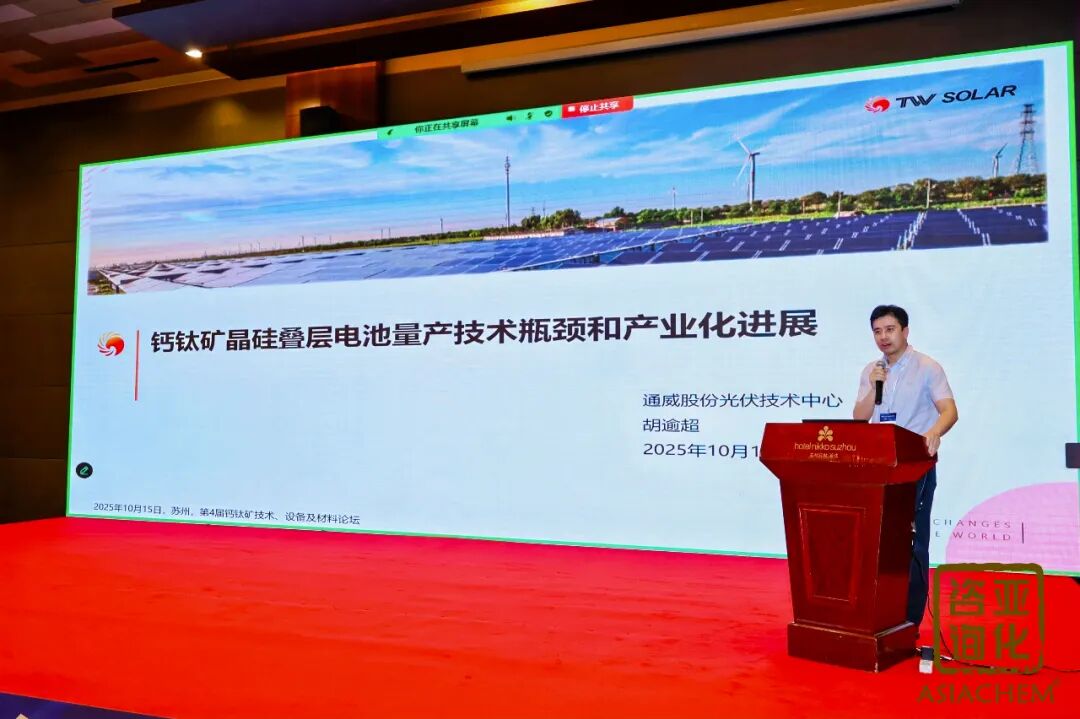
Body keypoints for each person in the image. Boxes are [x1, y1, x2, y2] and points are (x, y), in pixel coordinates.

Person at [852, 305, 958, 628]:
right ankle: (879, 610)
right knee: (878, 540)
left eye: (890, 329)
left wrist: (934, 433)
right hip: (879, 468)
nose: (883, 337)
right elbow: (859, 418)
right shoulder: (872, 371)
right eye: (877, 331)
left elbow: (949, 411)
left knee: (912, 542)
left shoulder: (927, 367)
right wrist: (873, 386)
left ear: (905, 331)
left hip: (914, 466)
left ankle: (909, 619)